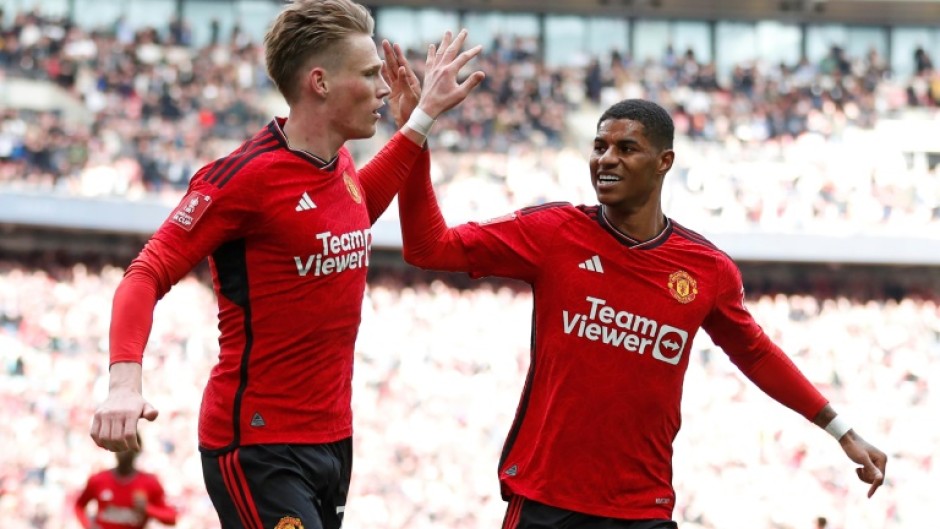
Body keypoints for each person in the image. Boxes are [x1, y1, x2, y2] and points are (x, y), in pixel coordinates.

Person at [397, 98, 887, 528]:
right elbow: (427, 248)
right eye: (599, 147)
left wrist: (840, 431)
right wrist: (417, 131)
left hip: (643, 508)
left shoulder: (706, 269)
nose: (605, 160)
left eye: (625, 148)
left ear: (663, 161)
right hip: (547, 500)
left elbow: (755, 354)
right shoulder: (555, 233)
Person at [88, 0, 484, 527]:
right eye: (369, 75)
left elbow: (353, 209)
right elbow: (146, 272)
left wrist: (421, 119)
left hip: (332, 437)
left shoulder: (338, 162)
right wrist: (123, 382)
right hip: (257, 443)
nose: (384, 88)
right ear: (319, 82)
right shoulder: (242, 179)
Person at [74, 435, 177, 529]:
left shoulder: (150, 483)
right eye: (120, 445)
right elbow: (79, 505)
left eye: (129, 447)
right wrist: (88, 525)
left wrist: (147, 508)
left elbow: (171, 517)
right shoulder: (98, 479)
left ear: (137, 450)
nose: (124, 451)